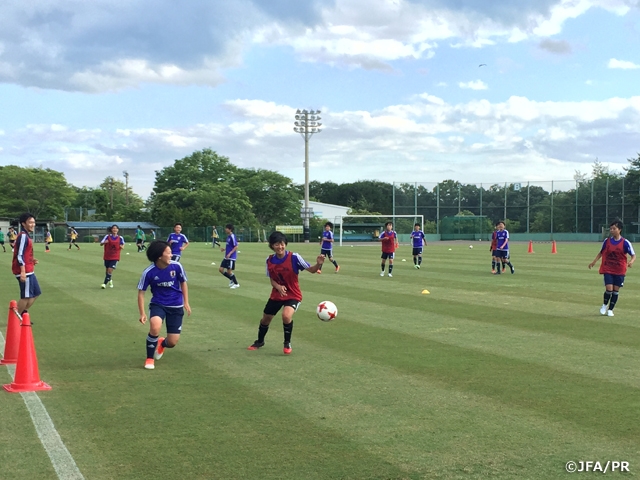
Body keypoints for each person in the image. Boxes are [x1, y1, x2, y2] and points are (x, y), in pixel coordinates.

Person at [247, 231, 324, 355]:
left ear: (285, 244)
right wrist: (278, 286)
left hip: (293, 294)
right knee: (265, 319)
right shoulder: (269, 260)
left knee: (286, 316)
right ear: (272, 246)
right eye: (276, 244)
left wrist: (318, 264)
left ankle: (287, 343)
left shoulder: (294, 257)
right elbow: (272, 279)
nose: (280, 247)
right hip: (277, 295)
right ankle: (259, 341)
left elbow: (311, 270)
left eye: (282, 244)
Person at [138, 240, 191, 370]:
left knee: (172, 342)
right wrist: (142, 313)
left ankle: (161, 344)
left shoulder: (177, 266)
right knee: (155, 327)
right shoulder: (149, 272)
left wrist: (186, 302)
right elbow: (141, 293)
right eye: (168, 252)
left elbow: (183, 282)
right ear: (159, 256)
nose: (171, 255)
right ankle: (149, 358)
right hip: (158, 304)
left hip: (176, 306)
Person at [588, 219, 636, 317]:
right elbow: (601, 252)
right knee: (609, 289)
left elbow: (633, 255)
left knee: (615, 290)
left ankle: (610, 309)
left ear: (620, 230)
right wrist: (594, 262)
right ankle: (604, 305)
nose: (612, 230)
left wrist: (631, 262)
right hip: (608, 268)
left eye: (614, 228)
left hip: (620, 269)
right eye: (611, 229)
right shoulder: (607, 241)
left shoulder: (625, 242)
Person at [12, 213, 41, 317]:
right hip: (24, 271)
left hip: (29, 269)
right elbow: (19, 255)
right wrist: (23, 272)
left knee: (36, 292)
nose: (33, 224)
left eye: (33, 222)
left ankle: (22, 313)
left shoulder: (26, 235)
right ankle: (16, 318)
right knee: (26, 296)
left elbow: (24, 253)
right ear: (23, 224)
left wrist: (32, 260)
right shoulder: (23, 236)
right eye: (30, 222)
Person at [100, 224, 125, 289]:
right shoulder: (107, 236)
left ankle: (104, 284)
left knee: (110, 270)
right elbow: (101, 243)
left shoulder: (120, 238)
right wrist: (104, 242)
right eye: (113, 228)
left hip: (115, 257)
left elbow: (123, 246)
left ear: (118, 230)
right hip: (107, 256)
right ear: (111, 230)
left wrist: (121, 246)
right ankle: (110, 280)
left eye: (116, 228)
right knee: (107, 271)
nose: (115, 229)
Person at [219, 224, 240, 288]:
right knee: (221, 269)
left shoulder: (232, 236)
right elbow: (230, 246)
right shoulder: (228, 236)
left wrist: (230, 253)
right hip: (226, 257)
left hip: (231, 257)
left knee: (229, 271)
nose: (225, 229)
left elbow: (236, 246)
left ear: (230, 229)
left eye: (226, 228)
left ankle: (236, 284)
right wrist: (224, 249)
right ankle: (231, 279)